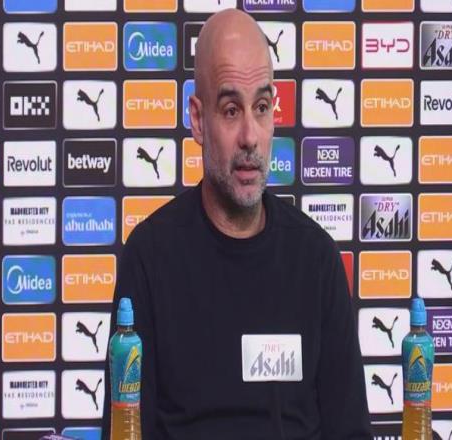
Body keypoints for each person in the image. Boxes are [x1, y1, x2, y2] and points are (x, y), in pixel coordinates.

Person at [102, 9, 372, 440]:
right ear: (198, 120)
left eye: (261, 108)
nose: (250, 136)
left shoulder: (317, 259)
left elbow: (350, 432)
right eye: (230, 111)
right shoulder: (149, 258)